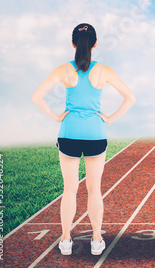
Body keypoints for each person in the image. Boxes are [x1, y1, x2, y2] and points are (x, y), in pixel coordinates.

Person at [32, 23, 136, 256]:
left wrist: (56, 116)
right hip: (95, 135)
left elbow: (36, 96)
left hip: (69, 133)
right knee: (94, 189)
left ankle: (66, 240)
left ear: (73, 44)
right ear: (95, 44)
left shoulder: (62, 70)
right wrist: (109, 118)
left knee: (70, 189)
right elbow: (130, 97)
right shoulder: (105, 71)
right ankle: (96, 240)